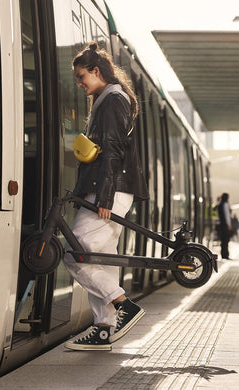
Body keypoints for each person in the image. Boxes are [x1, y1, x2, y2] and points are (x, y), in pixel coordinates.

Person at [63, 42, 149, 351]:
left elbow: (114, 149)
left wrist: (105, 196)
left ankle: (123, 304)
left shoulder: (112, 100)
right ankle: (104, 327)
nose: (79, 82)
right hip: (109, 189)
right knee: (102, 257)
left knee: (75, 253)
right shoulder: (107, 98)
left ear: (96, 71)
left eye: (81, 75)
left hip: (111, 190)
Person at [217, 193, 232, 259]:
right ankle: (225, 254)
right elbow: (227, 216)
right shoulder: (225, 204)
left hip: (220, 225)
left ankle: (223, 254)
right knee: (225, 240)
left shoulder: (219, 204)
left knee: (223, 240)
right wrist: (229, 225)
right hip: (225, 225)